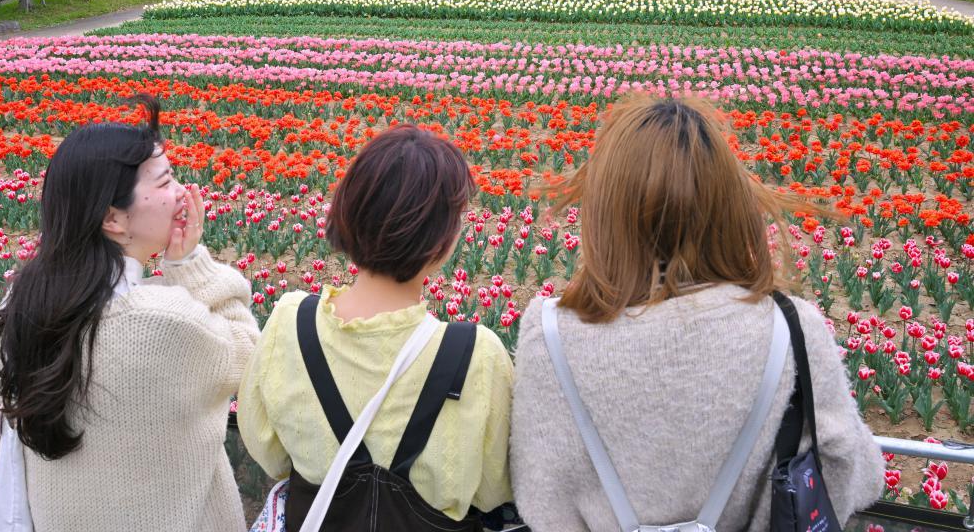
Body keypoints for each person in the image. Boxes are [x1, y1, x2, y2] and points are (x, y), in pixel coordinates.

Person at [510, 95, 883, 532]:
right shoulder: (791, 328)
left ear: (604, 212)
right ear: (728, 206)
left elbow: (539, 497)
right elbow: (850, 473)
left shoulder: (550, 336)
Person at [0, 96, 260, 532]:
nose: (183, 192)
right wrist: (190, 266)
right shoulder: (165, 323)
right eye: (165, 181)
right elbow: (246, 352)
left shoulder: (21, 306)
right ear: (113, 218)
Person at [238, 124, 513, 531]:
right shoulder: (475, 356)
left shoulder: (291, 324)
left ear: (348, 211)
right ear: (443, 239)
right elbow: (493, 489)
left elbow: (269, 450)